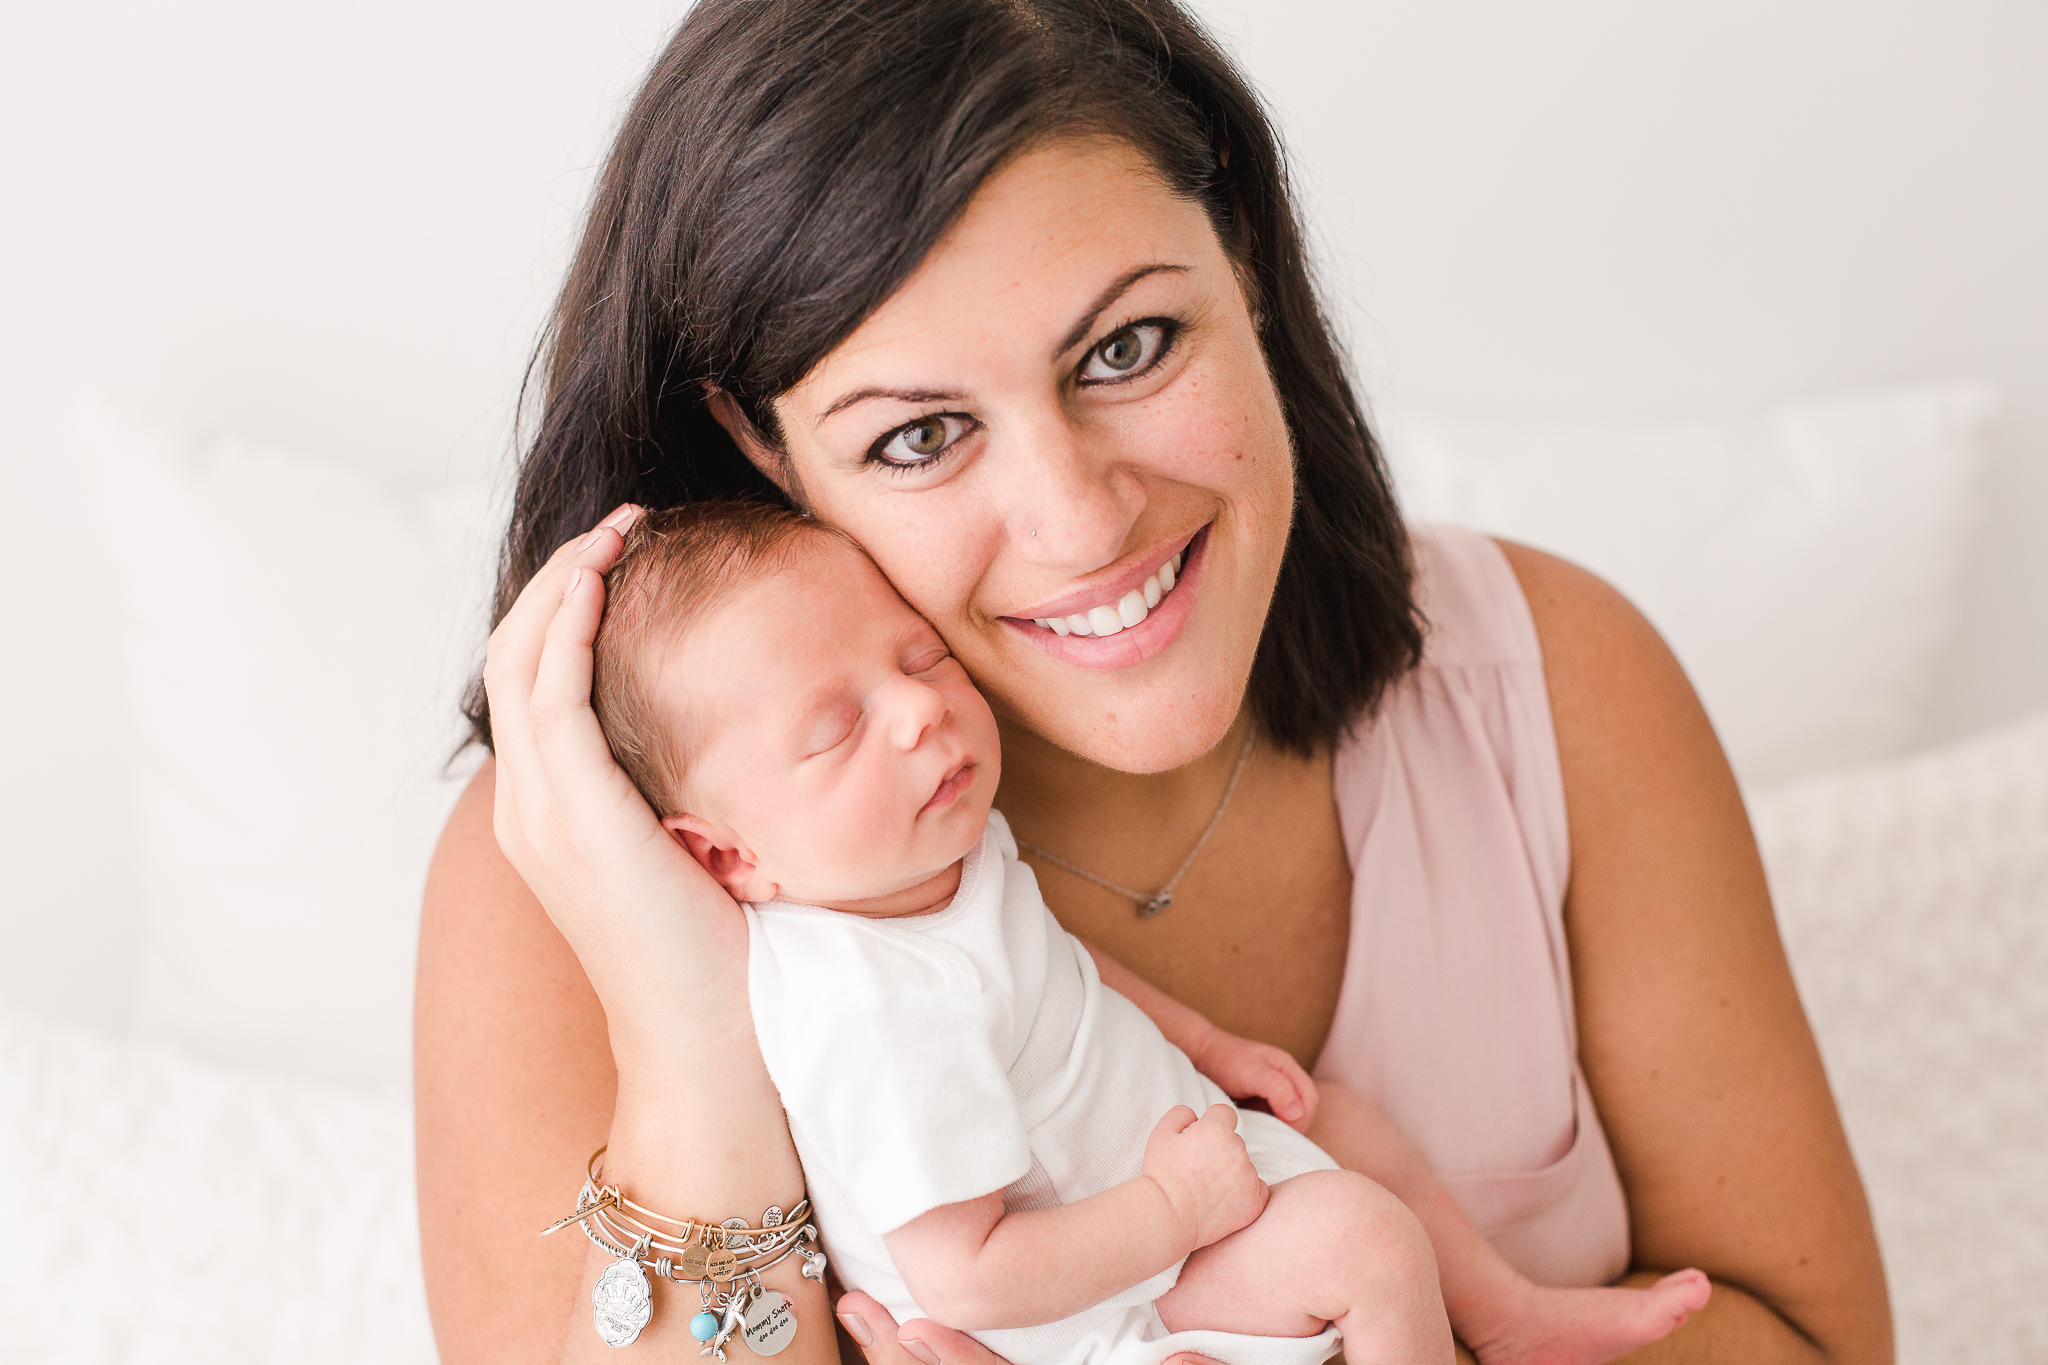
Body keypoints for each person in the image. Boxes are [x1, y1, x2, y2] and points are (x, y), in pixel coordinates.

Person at [414, 2, 1892, 1363]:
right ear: (759, 447)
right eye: (920, 437)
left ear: (1241, 256)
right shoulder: (566, 882)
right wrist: (692, 1037)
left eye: (1127, 345)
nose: (1080, 521)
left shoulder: (1560, 684)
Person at [574, 501, 1709, 1365]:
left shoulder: (934, 861)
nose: (921, 708)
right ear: (724, 856)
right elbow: (964, 1276)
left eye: (917, 658)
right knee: (1361, 1241)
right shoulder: (874, 1013)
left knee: (1350, 1130)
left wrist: (1206, 1045)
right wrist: (1175, 1209)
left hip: (1169, 1188)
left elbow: (1059, 968)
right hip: (1090, 1305)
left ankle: (1506, 1318)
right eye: (836, 730)